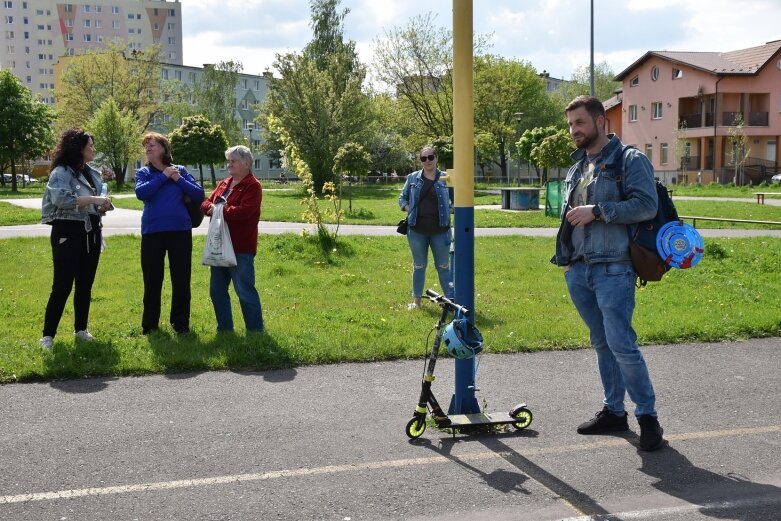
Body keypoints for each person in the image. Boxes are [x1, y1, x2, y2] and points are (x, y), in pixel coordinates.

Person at [552, 95, 665, 451]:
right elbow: (569, 217)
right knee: (601, 344)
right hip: (580, 270)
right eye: (570, 124)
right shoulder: (576, 168)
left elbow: (647, 206)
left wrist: (598, 211)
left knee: (621, 345)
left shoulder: (629, 160)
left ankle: (648, 417)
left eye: (580, 123)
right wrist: (567, 258)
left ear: (601, 121)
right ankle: (614, 411)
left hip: (614, 268)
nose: (574, 130)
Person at [39, 129, 114, 349]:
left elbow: (94, 203)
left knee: (85, 284)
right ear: (78, 148)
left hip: (91, 232)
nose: (93, 149)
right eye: (90, 145)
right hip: (67, 232)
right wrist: (94, 199)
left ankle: (81, 329)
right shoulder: (61, 172)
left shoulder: (92, 173)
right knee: (62, 285)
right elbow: (62, 199)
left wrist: (103, 205)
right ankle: (47, 336)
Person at [134, 132, 204, 335]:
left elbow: (198, 194)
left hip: (179, 232)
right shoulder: (143, 173)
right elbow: (141, 193)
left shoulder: (179, 170)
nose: (148, 149)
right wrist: (164, 177)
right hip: (152, 233)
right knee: (152, 280)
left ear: (164, 148)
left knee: (181, 280)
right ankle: (150, 326)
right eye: (146, 146)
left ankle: (180, 324)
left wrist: (178, 179)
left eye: (152, 145)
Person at [201, 145, 263, 332]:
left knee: (244, 292)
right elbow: (205, 203)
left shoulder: (253, 186)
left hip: (241, 247)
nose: (229, 164)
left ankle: (255, 332)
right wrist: (212, 208)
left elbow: (243, 212)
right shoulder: (224, 183)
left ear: (246, 164)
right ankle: (225, 330)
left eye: (233, 161)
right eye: (228, 161)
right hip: (219, 246)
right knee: (217, 292)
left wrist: (217, 209)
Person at [398, 146, 453, 310]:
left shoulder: (447, 178)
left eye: (430, 157)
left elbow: (457, 200)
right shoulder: (413, 178)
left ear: (436, 158)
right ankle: (416, 302)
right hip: (416, 231)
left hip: (441, 231)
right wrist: (409, 208)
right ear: (420, 161)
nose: (427, 161)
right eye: (423, 158)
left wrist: (451, 209)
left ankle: (450, 302)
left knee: (443, 267)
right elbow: (402, 198)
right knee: (419, 266)